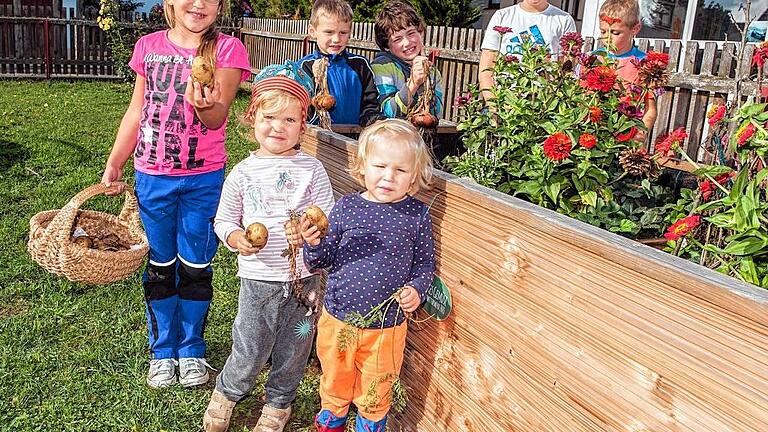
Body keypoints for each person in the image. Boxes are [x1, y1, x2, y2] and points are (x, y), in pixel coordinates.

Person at [101, 0, 250, 388]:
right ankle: (163, 350)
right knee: (160, 265)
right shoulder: (148, 47)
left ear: (220, 6)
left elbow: (219, 117)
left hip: (204, 179)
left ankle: (193, 348)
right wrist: (117, 159)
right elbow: (137, 111)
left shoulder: (228, 50)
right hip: (153, 177)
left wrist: (206, 107)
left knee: (196, 266)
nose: (198, 4)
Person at [202, 62, 335, 432]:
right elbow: (223, 219)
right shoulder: (243, 172)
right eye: (270, 117)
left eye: (290, 120)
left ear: (302, 127)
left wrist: (312, 234)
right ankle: (227, 394)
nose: (278, 127)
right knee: (250, 346)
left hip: (305, 281)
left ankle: (279, 404)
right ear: (253, 118)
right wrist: (236, 238)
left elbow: (328, 218)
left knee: (294, 350)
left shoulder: (313, 169)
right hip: (259, 279)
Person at [300, 119, 436, 432]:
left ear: (414, 175)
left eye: (400, 170)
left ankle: (370, 424)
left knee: (377, 387)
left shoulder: (416, 215)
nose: (389, 176)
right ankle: (331, 419)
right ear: (364, 166)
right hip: (339, 320)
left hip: (387, 327)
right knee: (335, 378)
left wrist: (417, 289)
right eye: (380, 166)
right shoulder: (347, 207)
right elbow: (324, 259)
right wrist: (314, 243)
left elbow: (425, 264)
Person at [298, 0, 384, 126]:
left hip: (353, 138)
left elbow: (370, 101)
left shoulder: (360, 65)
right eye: (329, 32)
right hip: (316, 140)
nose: (337, 39)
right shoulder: (305, 67)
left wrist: (370, 118)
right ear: (313, 31)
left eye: (343, 33)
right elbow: (300, 108)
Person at [478, 0, 576, 102]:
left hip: (545, 103)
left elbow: (566, 70)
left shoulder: (564, 20)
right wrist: (493, 104)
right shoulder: (502, 16)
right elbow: (487, 67)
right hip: (505, 100)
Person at [371, 0, 444, 120]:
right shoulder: (381, 67)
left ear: (421, 32)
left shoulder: (432, 71)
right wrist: (413, 84)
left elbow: (436, 115)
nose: (407, 42)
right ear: (386, 46)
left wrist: (425, 84)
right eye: (397, 39)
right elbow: (387, 114)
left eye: (411, 33)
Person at [598, 0, 657, 138]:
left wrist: (640, 135)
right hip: (595, 133)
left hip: (626, 136)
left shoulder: (645, 65)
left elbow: (651, 109)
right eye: (603, 31)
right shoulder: (594, 60)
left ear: (635, 29)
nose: (607, 38)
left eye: (615, 33)